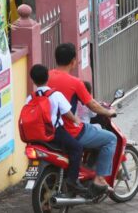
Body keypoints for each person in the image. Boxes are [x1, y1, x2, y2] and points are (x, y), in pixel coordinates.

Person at [48, 43, 117, 193]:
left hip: (48, 129)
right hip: (71, 131)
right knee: (111, 138)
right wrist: (108, 112)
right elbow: (92, 105)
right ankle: (99, 179)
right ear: (73, 61)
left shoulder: (47, 76)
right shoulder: (75, 82)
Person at [27, 64, 88, 193]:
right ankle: (72, 180)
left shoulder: (30, 98)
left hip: (36, 137)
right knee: (77, 148)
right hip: (54, 134)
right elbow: (68, 112)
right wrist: (76, 120)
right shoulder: (55, 95)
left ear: (33, 80)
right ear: (47, 77)